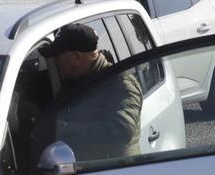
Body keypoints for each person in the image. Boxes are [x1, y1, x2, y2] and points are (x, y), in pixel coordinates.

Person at [39, 24, 142, 160]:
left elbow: (119, 132)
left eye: (58, 55)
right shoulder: (72, 82)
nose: (55, 60)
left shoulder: (121, 84)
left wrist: (62, 130)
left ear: (76, 58)